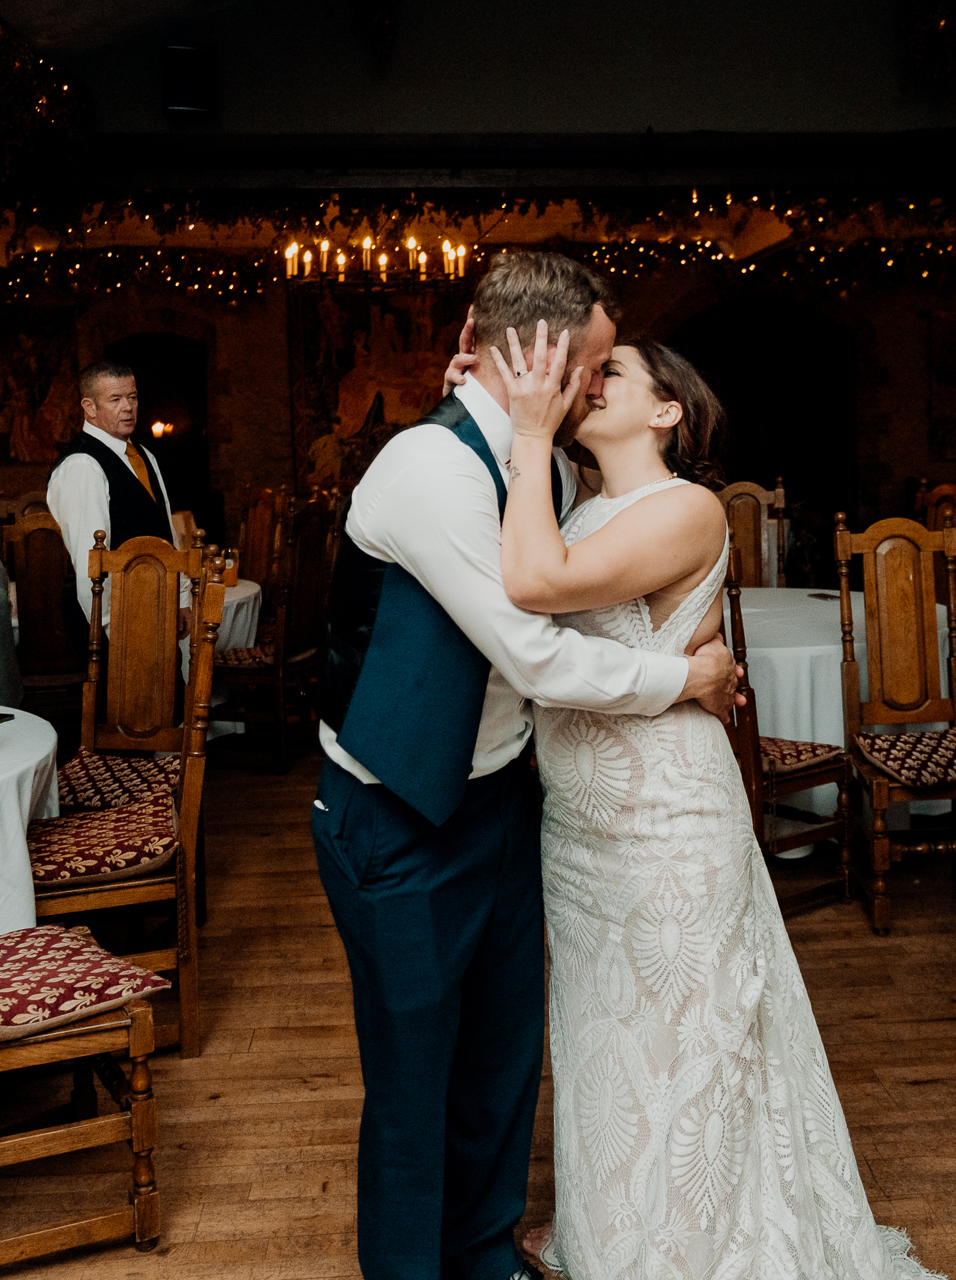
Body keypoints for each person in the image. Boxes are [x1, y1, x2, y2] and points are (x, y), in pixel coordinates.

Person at [311, 251, 741, 1280]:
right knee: (416, 1079)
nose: (599, 385)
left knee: (504, 1061)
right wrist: (681, 680)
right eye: (593, 365)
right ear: (539, 352)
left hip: (503, 795)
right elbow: (533, 651)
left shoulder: (544, 466)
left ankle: (484, 1254)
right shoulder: (428, 468)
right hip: (397, 810)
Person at [494, 323, 942, 1279]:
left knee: (688, 1037)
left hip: (665, 815)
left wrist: (530, 435)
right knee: (603, 1038)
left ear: (668, 410)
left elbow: (537, 588)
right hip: (579, 819)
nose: (585, 381)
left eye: (608, 370)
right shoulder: (569, 499)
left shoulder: (688, 507)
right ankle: (613, 1227)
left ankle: (692, 1253)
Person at [46, 359, 184, 624]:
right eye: (115, 399)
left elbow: (168, 533)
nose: (128, 408)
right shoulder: (82, 465)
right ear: (90, 407)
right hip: (117, 621)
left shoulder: (144, 455)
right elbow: (92, 564)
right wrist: (110, 631)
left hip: (154, 607)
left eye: (132, 397)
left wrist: (182, 599)